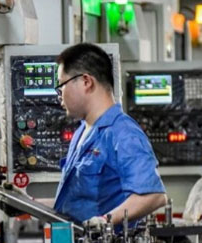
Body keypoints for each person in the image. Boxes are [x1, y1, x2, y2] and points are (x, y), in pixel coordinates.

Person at [53, 43, 166, 228]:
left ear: (86, 82)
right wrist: (26, 203)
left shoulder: (123, 133)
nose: (59, 96)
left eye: (61, 86)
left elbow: (153, 196)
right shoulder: (82, 132)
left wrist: (106, 220)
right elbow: (72, 207)